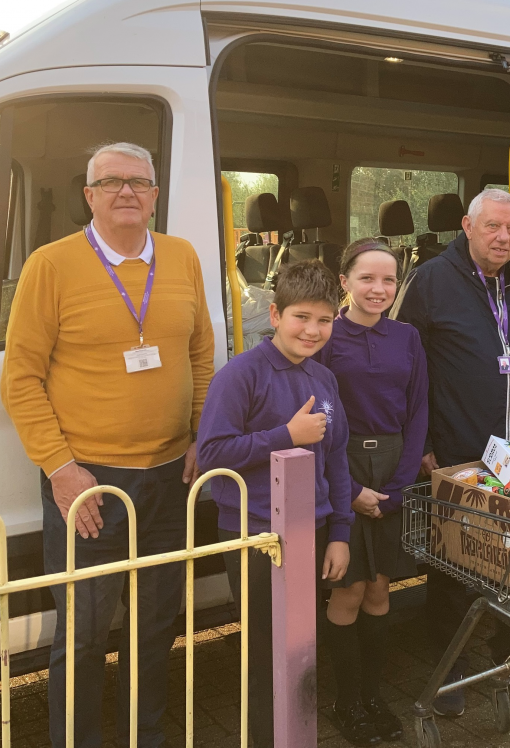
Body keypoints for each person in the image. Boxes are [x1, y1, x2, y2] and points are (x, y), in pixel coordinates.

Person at [0, 142, 215, 748]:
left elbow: (199, 351)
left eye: (138, 182)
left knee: (155, 625)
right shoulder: (52, 264)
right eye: (111, 181)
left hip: (171, 475)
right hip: (87, 481)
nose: (126, 191)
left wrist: (200, 430)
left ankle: (145, 736)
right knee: (85, 631)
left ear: (154, 195)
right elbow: (21, 377)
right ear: (88, 196)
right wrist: (61, 470)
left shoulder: (182, 257)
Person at [394, 188, 510, 716]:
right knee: (456, 566)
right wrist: (422, 445)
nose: (503, 238)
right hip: (459, 454)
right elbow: (409, 373)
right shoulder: (430, 283)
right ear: (466, 226)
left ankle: (509, 653)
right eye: (493, 226)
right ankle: (452, 667)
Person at [197, 259, 354, 748]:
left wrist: (341, 535)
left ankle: (295, 733)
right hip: (254, 533)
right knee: (266, 649)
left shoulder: (323, 380)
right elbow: (212, 455)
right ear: (275, 313)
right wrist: (285, 435)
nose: (312, 330)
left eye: (324, 320)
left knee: (301, 645)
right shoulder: (240, 376)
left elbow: (338, 461)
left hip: (313, 529)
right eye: (301, 317)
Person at [314, 238, 428, 744]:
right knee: (349, 589)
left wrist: (401, 483)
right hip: (343, 466)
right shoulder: (326, 338)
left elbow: (419, 410)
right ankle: (346, 700)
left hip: (394, 470)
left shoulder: (407, 337)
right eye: (367, 278)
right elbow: (319, 422)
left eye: (388, 279)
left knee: (381, 588)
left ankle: (372, 695)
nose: (378, 289)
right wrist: (352, 489)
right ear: (344, 282)